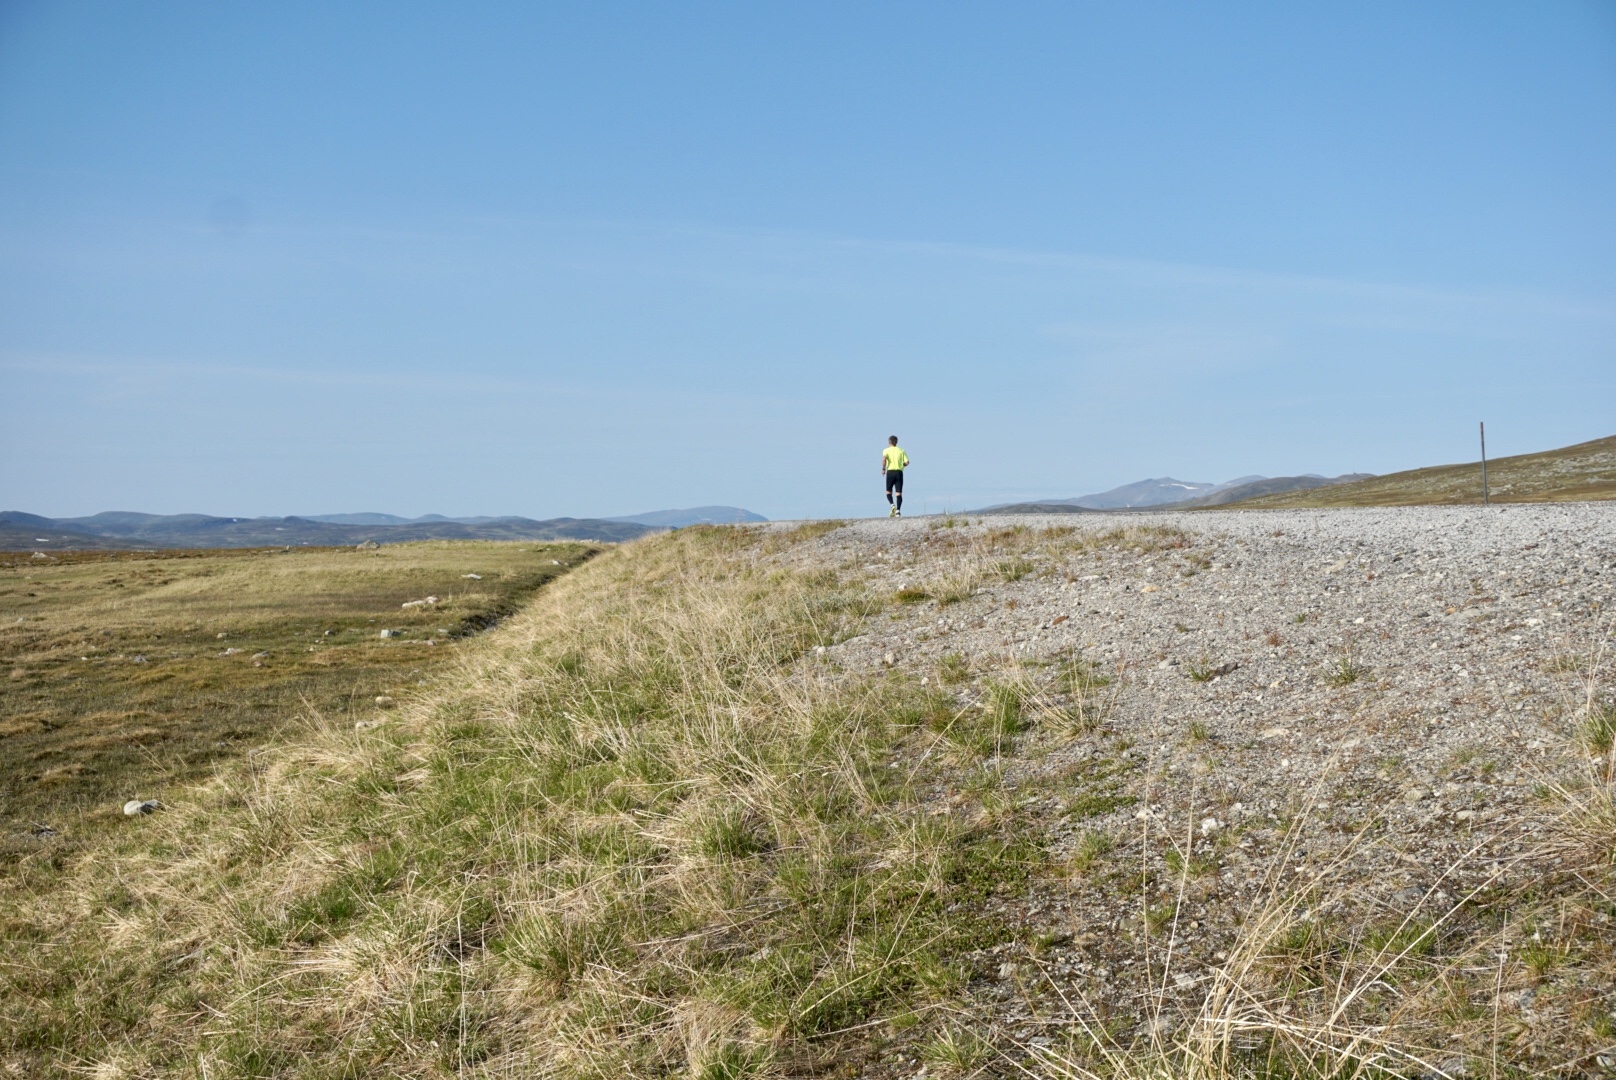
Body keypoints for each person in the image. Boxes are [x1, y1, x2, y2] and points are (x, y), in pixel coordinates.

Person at [881, 435, 909, 517]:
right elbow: (907, 462)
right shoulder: (901, 450)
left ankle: (892, 505)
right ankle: (898, 511)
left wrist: (883, 469)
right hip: (899, 472)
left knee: (888, 491)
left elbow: (884, 459)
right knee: (898, 493)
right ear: (896, 442)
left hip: (890, 472)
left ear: (889, 442)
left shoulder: (886, 450)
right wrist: (901, 465)